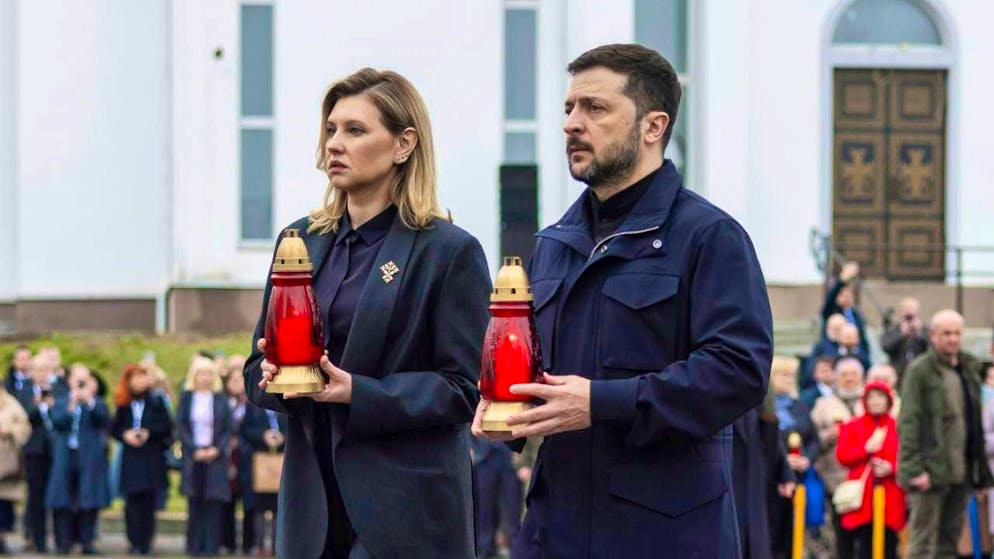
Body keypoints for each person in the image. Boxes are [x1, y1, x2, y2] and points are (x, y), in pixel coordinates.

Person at [472, 44, 773, 558]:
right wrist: (508, 407)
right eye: (568, 108)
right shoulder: (552, 244)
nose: (571, 123)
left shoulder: (709, 236)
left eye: (594, 108)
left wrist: (601, 404)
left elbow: (737, 370)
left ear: (653, 126)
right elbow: (540, 371)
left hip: (665, 533)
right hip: (554, 530)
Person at [245, 67, 490, 559]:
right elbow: (255, 368)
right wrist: (271, 376)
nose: (335, 143)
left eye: (355, 131)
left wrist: (358, 392)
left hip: (406, 512)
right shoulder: (299, 241)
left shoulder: (448, 251)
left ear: (404, 144)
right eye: (331, 129)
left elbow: (464, 389)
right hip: (312, 511)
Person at [898, 309, 994, 558]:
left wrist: (980, 474)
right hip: (930, 471)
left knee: (949, 541)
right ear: (933, 336)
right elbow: (909, 422)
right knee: (922, 542)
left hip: (959, 470)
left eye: (957, 333)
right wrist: (914, 469)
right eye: (946, 333)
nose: (952, 339)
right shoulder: (920, 371)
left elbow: (974, 425)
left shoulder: (968, 367)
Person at [46, 364, 111, 555]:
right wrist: (71, 405)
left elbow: (103, 420)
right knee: (62, 500)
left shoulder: (97, 403)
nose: (80, 384)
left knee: (88, 500)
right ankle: (63, 542)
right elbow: (57, 422)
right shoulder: (62, 401)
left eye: (85, 380)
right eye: (77, 379)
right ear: (70, 381)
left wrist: (89, 401)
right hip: (66, 456)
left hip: (88, 457)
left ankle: (87, 541)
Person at [836, 381, 905, 559]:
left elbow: (908, 456)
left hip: (890, 495)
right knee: (864, 545)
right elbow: (842, 456)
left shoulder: (898, 427)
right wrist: (865, 449)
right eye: (871, 397)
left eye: (880, 397)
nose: (876, 401)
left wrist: (891, 467)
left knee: (889, 545)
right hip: (863, 498)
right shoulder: (853, 426)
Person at [111, 363, 173, 556]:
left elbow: (167, 427)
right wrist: (126, 435)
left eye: (143, 377)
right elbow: (114, 428)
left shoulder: (156, 401)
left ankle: (146, 542)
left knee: (149, 502)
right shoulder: (124, 403)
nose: (139, 382)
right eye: (135, 378)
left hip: (151, 456)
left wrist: (149, 433)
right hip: (131, 457)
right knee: (132, 502)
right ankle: (134, 540)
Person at [810, 356, 865, 559]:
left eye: (853, 374)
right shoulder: (824, 404)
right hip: (835, 479)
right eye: (844, 375)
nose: (849, 379)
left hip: (865, 480)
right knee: (841, 534)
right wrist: (827, 436)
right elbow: (811, 438)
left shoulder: (870, 401)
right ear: (835, 378)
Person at [178, 356, 231, 557]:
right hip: (194, 456)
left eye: (209, 374)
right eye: (201, 374)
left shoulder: (220, 399)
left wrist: (216, 449)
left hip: (215, 456)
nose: (205, 378)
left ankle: (211, 546)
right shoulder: (187, 397)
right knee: (194, 502)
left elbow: (227, 428)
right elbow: (181, 426)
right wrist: (194, 450)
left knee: (214, 502)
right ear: (195, 376)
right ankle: (194, 546)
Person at [768, 356, 818, 559]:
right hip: (772, 481)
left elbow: (813, 439)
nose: (789, 380)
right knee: (773, 533)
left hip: (799, 478)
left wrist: (807, 459)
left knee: (794, 532)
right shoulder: (763, 408)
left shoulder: (800, 406)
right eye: (783, 375)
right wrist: (782, 463)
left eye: (791, 376)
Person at [239, 401, 286, 556]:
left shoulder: (286, 404)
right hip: (258, 462)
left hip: (281, 461)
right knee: (258, 505)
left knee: (278, 506)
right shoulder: (253, 406)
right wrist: (262, 436)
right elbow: (245, 429)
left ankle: (276, 545)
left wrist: (283, 437)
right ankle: (258, 545)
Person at [20, 356, 54, 553]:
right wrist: (39, 404)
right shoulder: (26, 391)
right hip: (35, 451)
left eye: (45, 370)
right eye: (38, 370)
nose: (42, 374)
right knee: (36, 496)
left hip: (55, 449)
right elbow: (25, 415)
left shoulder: (59, 390)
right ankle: (37, 538)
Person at [472, 437, 523, 559]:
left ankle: (515, 550)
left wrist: (524, 459)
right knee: (485, 507)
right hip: (483, 457)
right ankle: (485, 549)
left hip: (510, 456)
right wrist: (471, 447)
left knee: (513, 507)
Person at [0, 380, 31, 555]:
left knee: (4, 504)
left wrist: (9, 431)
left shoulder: (12, 405)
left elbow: (24, 427)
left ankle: (2, 538)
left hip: (7, 462)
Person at [221, 367, 248, 555]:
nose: (237, 384)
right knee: (227, 500)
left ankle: (248, 544)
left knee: (248, 501)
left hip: (246, 456)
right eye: (233, 380)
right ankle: (227, 542)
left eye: (240, 380)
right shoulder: (222, 403)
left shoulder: (251, 403)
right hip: (226, 455)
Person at [821, 262, 869, 359]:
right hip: (835, 354)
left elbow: (863, 339)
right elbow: (829, 300)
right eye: (843, 295)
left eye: (849, 295)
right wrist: (842, 280)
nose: (846, 298)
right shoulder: (831, 311)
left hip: (856, 354)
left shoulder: (856, 315)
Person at [880, 297, 929, 384]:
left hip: (921, 373)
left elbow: (930, 347)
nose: (910, 320)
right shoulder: (893, 329)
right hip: (898, 374)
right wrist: (902, 334)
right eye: (907, 316)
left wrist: (918, 334)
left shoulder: (924, 330)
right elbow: (886, 347)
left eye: (912, 316)